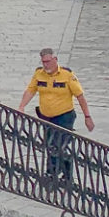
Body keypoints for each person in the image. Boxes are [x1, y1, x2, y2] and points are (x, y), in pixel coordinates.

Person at [19, 48, 95, 176]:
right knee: (50, 145)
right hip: (46, 117)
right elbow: (30, 90)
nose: (46, 65)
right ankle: (60, 172)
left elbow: (80, 96)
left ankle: (54, 172)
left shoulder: (67, 75)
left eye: (48, 61)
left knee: (58, 144)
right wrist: (22, 106)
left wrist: (87, 116)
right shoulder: (39, 74)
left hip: (64, 116)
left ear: (55, 60)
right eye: (43, 62)